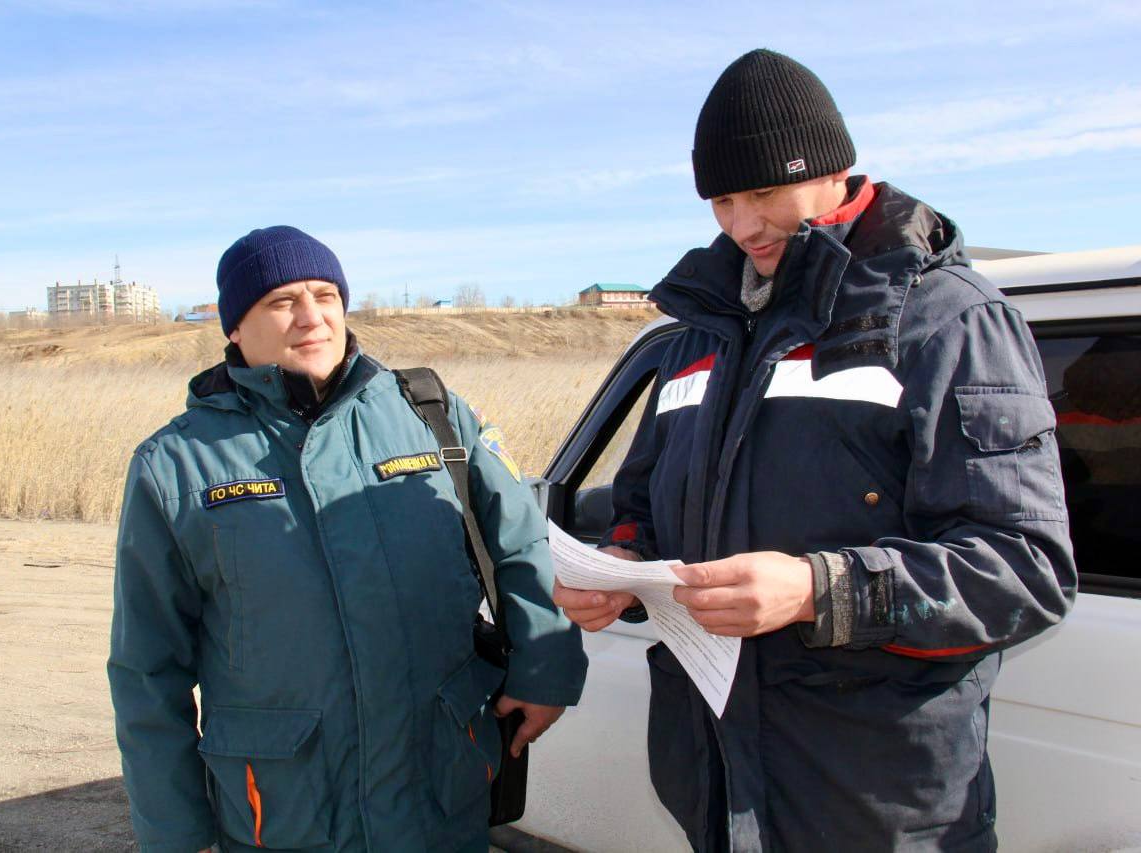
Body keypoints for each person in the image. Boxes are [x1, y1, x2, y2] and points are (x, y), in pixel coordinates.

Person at [554, 49, 1075, 851]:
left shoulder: (947, 319)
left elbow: (1025, 567)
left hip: (874, 801)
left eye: (765, 192)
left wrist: (816, 589)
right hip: (717, 781)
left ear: (833, 170)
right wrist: (620, 567)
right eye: (722, 200)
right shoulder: (698, 335)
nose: (742, 225)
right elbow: (642, 508)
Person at [108, 226, 586, 853]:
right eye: (282, 301)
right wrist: (175, 834)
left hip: (441, 788)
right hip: (283, 811)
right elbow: (147, 667)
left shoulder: (429, 413)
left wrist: (546, 672)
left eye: (326, 295)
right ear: (235, 328)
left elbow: (521, 543)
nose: (312, 317)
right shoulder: (175, 465)